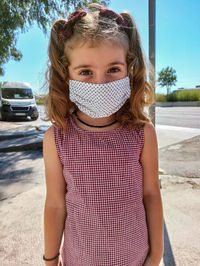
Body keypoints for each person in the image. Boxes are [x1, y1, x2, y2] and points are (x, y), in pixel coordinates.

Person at [42, 3, 164, 266]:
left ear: (129, 69)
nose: (101, 83)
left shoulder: (143, 133)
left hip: (136, 259)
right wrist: (50, 259)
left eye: (113, 69)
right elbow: (55, 204)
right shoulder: (57, 138)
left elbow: (151, 194)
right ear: (67, 75)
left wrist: (156, 255)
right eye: (85, 72)